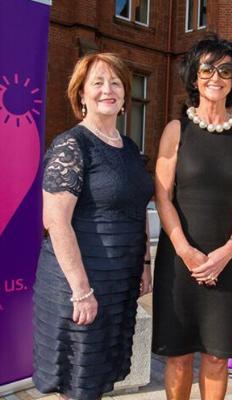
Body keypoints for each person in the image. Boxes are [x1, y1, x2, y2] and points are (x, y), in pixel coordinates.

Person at [33, 53, 154, 400]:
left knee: (98, 380)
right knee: (78, 382)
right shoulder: (72, 145)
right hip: (80, 283)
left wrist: (145, 263)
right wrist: (81, 290)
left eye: (115, 82)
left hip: (118, 284)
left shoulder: (129, 148)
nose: (107, 89)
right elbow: (55, 221)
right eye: (98, 82)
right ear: (81, 94)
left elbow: (138, 207)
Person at [152, 36, 232, 400]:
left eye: (226, 70)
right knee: (179, 357)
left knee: (216, 358)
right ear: (194, 76)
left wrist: (227, 251)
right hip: (180, 261)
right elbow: (163, 196)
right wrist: (185, 251)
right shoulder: (176, 130)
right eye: (208, 68)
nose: (217, 77)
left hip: (225, 263)